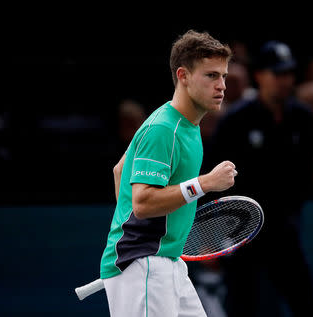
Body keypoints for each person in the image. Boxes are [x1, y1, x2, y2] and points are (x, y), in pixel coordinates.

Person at [99, 29, 235, 317]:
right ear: (183, 76)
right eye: (211, 75)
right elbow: (143, 203)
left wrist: (125, 229)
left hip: (164, 261)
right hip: (143, 263)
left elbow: (120, 169)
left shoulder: (188, 125)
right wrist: (205, 183)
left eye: (223, 75)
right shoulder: (163, 129)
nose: (222, 85)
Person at [208, 40, 313, 317]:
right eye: (277, 73)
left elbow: (305, 176)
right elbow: (213, 180)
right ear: (259, 75)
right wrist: (216, 237)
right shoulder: (236, 121)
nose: (285, 81)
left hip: (285, 234)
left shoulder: (303, 119)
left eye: (288, 73)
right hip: (242, 235)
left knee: (306, 306)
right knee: (241, 308)